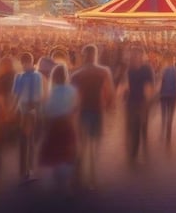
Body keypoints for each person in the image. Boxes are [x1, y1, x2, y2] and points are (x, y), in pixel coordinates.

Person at [71, 43, 115, 188]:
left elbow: (73, 97)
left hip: (83, 111)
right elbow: (109, 92)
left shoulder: (77, 74)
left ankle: (78, 177)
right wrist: (110, 109)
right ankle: (92, 178)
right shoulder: (103, 71)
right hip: (97, 110)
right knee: (94, 146)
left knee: (82, 145)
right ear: (96, 55)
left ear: (83, 56)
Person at [39, 63, 78, 192]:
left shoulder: (52, 92)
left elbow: (47, 110)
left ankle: (60, 180)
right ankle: (68, 183)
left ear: (54, 77)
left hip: (55, 125)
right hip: (68, 123)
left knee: (56, 151)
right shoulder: (72, 90)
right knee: (68, 151)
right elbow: (75, 106)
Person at [12, 51, 44, 182]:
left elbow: (16, 95)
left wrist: (13, 109)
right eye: (23, 63)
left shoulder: (20, 77)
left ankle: (25, 172)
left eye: (25, 63)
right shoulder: (37, 76)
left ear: (30, 62)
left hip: (25, 110)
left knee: (26, 141)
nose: (24, 66)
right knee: (29, 142)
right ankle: (28, 171)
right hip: (31, 110)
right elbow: (39, 96)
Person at [123, 46, 154, 164]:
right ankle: (134, 152)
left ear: (141, 56)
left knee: (139, 125)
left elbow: (149, 86)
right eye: (133, 56)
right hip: (131, 102)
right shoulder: (129, 69)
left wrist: (148, 100)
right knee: (134, 126)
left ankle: (136, 149)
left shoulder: (146, 69)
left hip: (142, 102)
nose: (135, 58)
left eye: (137, 55)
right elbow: (126, 84)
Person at [0, 55, 16, 190]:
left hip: (1, 113)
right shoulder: (15, 77)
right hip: (13, 110)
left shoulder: (0, 79)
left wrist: (4, 112)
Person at [158, 53, 176, 146]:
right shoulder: (175, 71)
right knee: (170, 115)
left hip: (163, 95)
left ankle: (163, 130)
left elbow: (160, 82)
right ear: (172, 60)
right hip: (173, 95)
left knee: (164, 114)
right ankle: (168, 134)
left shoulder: (164, 70)